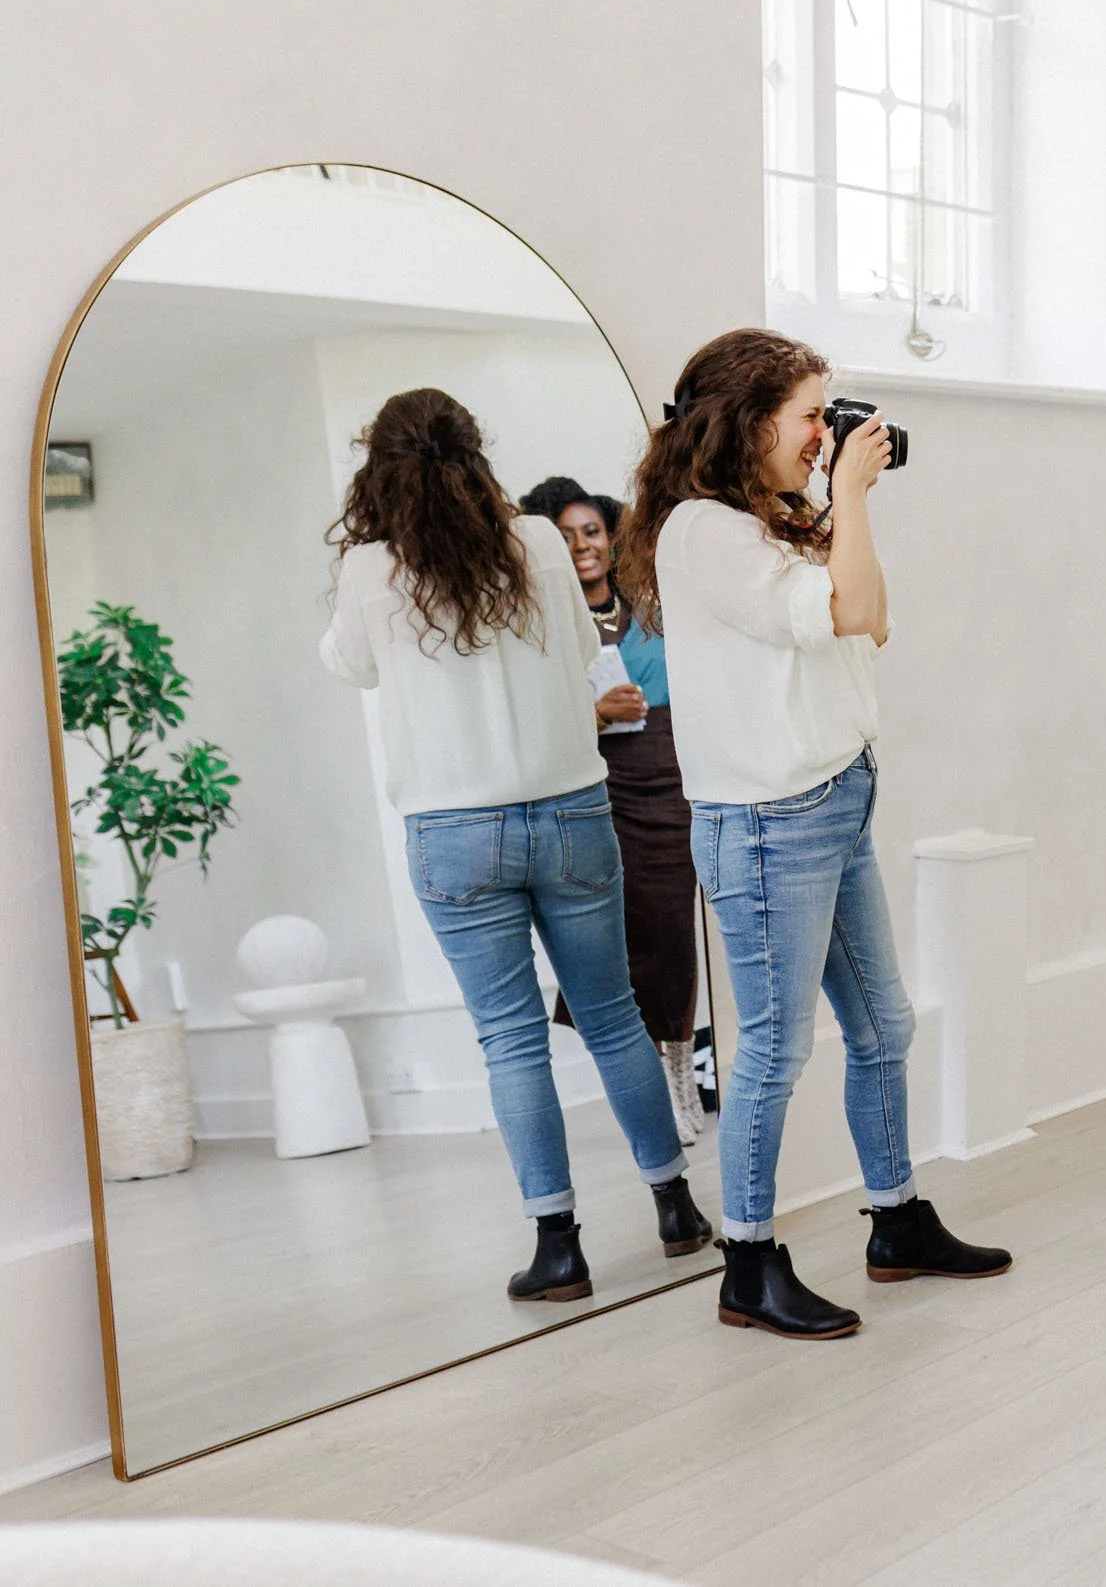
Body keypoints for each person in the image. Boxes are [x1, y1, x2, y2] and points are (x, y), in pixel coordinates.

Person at [616, 329, 1009, 1341]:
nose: (825, 430)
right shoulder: (704, 531)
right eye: (810, 413)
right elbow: (849, 607)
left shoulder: (780, 517)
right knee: (776, 1049)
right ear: (749, 423)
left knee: (885, 1024)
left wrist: (837, 503)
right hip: (764, 822)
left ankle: (895, 1217)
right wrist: (857, 501)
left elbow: (868, 617)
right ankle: (747, 1259)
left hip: (835, 799)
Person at [321, 388, 712, 1302]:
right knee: (613, 1015)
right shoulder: (537, 540)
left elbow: (353, 665)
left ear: (378, 471)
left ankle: (559, 1248)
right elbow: (581, 647)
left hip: (454, 834)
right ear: (476, 456)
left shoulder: (372, 568)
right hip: (571, 811)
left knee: (509, 1041)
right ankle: (675, 1207)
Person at [517, 475, 707, 1147]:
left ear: (610, 533)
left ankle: (684, 1077)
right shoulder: (541, 621)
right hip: (598, 785)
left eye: (590, 531)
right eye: (564, 536)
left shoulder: (648, 601)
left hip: (668, 776)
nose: (581, 546)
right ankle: (652, 1087)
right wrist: (594, 713)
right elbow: (534, 717)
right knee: (617, 941)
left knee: (675, 937)